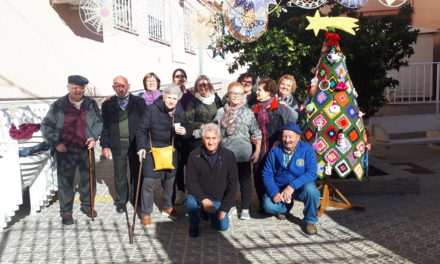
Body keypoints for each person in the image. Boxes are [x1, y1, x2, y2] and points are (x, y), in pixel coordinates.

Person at [41, 75, 103, 225]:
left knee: (88, 179)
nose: (78, 91)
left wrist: (94, 137)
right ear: (68, 87)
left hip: (85, 148)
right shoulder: (59, 105)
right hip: (65, 149)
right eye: (75, 87)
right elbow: (46, 126)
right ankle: (66, 211)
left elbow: (98, 121)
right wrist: (56, 142)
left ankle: (88, 206)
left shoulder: (90, 104)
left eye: (81, 88)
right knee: (65, 181)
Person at [136, 84, 189, 226]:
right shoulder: (152, 109)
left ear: (178, 99)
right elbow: (141, 130)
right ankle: (146, 213)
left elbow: (186, 125)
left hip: (171, 150)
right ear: (164, 97)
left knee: (170, 181)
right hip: (152, 150)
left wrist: (184, 131)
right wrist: (141, 147)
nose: (171, 101)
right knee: (149, 183)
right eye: (169, 97)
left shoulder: (179, 110)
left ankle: (167, 208)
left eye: (175, 98)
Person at [261, 122, 320, 235]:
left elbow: (312, 172)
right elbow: (267, 174)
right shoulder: (274, 151)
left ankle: (310, 220)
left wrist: (292, 186)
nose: (287, 140)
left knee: (312, 192)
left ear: (298, 137)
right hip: (280, 187)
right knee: (268, 206)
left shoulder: (307, 149)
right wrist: (274, 192)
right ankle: (285, 208)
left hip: (300, 186)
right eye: (284, 136)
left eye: (290, 137)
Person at [214, 82, 262, 220]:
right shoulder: (220, 112)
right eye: (233, 93)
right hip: (226, 154)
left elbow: (257, 132)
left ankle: (246, 208)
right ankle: (231, 205)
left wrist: (257, 150)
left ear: (243, 96)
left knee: (245, 182)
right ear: (228, 94)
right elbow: (215, 130)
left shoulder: (248, 113)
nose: (235, 96)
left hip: (243, 155)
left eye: (239, 93)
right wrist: (197, 133)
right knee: (228, 182)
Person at [100, 76, 146, 213]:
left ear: (128, 86)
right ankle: (121, 200)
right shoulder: (107, 104)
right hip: (117, 143)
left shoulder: (139, 102)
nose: (120, 88)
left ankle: (135, 198)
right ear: (113, 88)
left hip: (135, 143)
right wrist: (105, 145)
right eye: (116, 86)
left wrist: (143, 144)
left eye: (122, 85)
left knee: (136, 172)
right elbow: (105, 127)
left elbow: (144, 124)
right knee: (119, 173)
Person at [185, 123, 238, 237]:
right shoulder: (194, 155)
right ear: (203, 139)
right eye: (207, 138)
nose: (210, 142)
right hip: (200, 197)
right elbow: (190, 182)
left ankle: (207, 213)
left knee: (221, 227)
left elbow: (233, 184)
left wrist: (224, 208)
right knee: (190, 204)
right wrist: (204, 200)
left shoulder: (229, 155)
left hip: (218, 199)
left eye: (214, 138)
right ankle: (194, 224)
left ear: (219, 139)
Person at [252, 78, 295, 214]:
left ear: (269, 92)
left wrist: (279, 141)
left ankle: (281, 204)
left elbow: (289, 128)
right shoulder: (254, 109)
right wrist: (250, 136)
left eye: (260, 90)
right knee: (259, 175)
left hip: (276, 149)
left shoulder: (282, 109)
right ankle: (262, 202)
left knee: (277, 176)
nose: (257, 92)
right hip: (259, 149)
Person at [185, 75, 223, 151]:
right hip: (199, 138)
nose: (203, 87)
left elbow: (222, 116)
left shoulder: (216, 100)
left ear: (210, 86)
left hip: (214, 136)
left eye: (205, 84)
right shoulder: (193, 102)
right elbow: (187, 120)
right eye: (200, 85)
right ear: (196, 88)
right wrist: (200, 125)